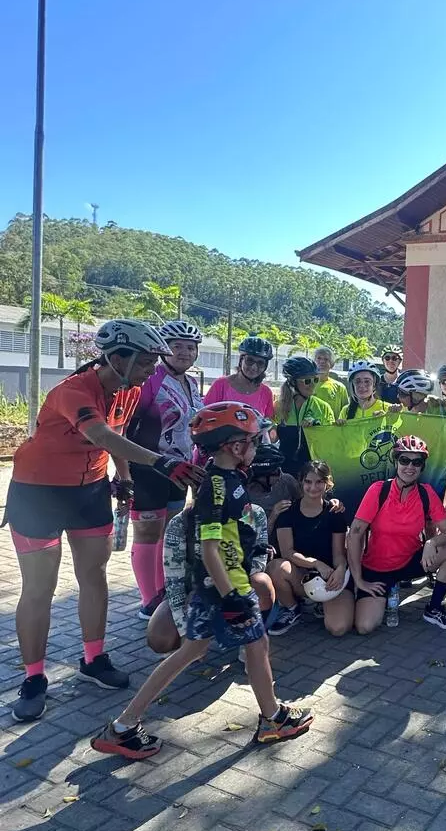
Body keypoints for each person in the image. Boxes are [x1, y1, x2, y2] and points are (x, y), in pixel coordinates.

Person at [91, 402, 314, 758]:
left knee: (199, 651)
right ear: (235, 446)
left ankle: (123, 726)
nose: (258, 447)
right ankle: (273, 719)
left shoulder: (228, 478)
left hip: (223, 587)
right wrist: (232, 597)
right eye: (254, 441)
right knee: (255, 646)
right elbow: (210, 550)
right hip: (226, 590)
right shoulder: (217, 487)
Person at [7, 320, 202, 723]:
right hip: (39, 492)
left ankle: (93, 659)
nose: (151, 370)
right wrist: (162, 462)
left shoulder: (129, 390)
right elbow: (102, 435)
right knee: (39, 589)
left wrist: (124, 478)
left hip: (91, 491)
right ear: (117, 358)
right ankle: (33, 678)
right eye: (145, 362)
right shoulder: (73, 391)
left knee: (94, 576)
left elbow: (117, 434)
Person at [127, 318, 205, 618]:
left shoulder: (192, 383)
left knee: (167, 532)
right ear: (163, 349)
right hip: (147, 468)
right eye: (177, 346)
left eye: (190, 347)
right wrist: (123, 472)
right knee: (147, 533)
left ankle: (163, 591)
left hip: (180, 469)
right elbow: (125, 425)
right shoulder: (150, 380)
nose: (184, 352)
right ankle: (149, 600)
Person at [346, 434, 446, 632]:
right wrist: (359, 580)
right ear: (396, 462)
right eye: (404, 460)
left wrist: (432, 542)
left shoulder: (426, 493)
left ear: (422, 467)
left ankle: (434, 608)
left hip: (409, 561)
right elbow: (355, 534)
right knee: (365, 626)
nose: (410, 467)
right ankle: (384, 594)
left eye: (416, 462)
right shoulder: (378, 490)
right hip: (377, 567)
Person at [147, 496, 277, 655]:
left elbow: (259, 563)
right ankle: (195, 642)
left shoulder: (252, 513)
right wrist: (185, 632)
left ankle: (250, 638)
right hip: (194, 589)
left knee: (261, 582)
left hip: (238, 585)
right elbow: (174, 581)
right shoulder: (180, 522)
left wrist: (223, 590)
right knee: (159, 639)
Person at [267, 460, 353, 636]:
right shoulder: (287, 512)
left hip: (329, 578)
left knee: (338, 628)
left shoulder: (334, 512)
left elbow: (338, 553)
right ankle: (293, 608)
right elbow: (287, 552)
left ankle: (323, 604)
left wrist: (340, 569)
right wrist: (316, 564)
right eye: (308, 481)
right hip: (302, 576)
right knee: (276, 567)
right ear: (301, 482)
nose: (313, 487)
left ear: (327, 483)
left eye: (319, 482)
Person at [205, 335, 276, 422]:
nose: (254, 367)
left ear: (265, 366)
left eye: (260, 363)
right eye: (249, 360)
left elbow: (268, 423)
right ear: (241, 360)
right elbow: (204, 416)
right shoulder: (221, 385)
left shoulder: (266, 392)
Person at [244, 443, 299, 548]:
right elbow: (254, 541)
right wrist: (273, 515)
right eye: (276, 472)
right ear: (261, 477)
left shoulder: (287, 481)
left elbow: (307, 503)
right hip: (267, 548)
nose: (280, 474)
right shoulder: (245, 496)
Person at [312, 347, 349, 419]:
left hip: (332, 426)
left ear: (332, 364)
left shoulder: (340, 387)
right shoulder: (305, 385)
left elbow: (346, 412)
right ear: (313, 362)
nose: (322, 362)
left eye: (326, 359)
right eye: (319, 358)